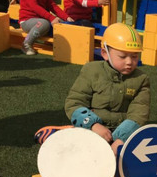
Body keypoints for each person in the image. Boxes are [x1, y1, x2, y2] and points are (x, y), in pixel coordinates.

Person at [64, 23, 150, 155]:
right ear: (105, 53)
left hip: (122, 132)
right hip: (92, 129)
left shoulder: (141, 79)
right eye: (123, 56)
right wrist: (93, 125)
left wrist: (120, 139)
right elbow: (74, 103)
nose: (129, 62)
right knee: (78, 153)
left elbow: (139, 113)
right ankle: (62, 132)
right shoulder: (92, 70)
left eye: (134, 56)